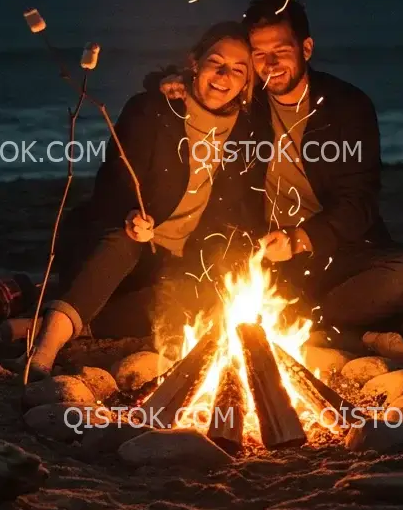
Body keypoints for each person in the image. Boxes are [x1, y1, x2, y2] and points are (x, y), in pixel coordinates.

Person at [23, 21, 263, 380]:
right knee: (124, 240)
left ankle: (69, 322)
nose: (224, 75)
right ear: (195, 63)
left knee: (203, 295)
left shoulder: (247, 131)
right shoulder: (153, 109)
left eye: (238, 70)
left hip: (170, 265)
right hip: (115, 247)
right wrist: (131, 212)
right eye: (216, 62)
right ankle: (43, 351)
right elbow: (115, 177)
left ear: (247, 83)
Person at [241, 0, 403, 340]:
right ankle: (304, 317)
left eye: (281, 50)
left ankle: (305, 318)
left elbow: (360, 202)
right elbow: (204, 88)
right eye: (258, 53)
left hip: (333, 250)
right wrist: (167, 83)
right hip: (260, 254)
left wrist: (299, 240)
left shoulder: (347, 106)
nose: (270, 63)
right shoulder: (244, 103)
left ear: (306, 48)